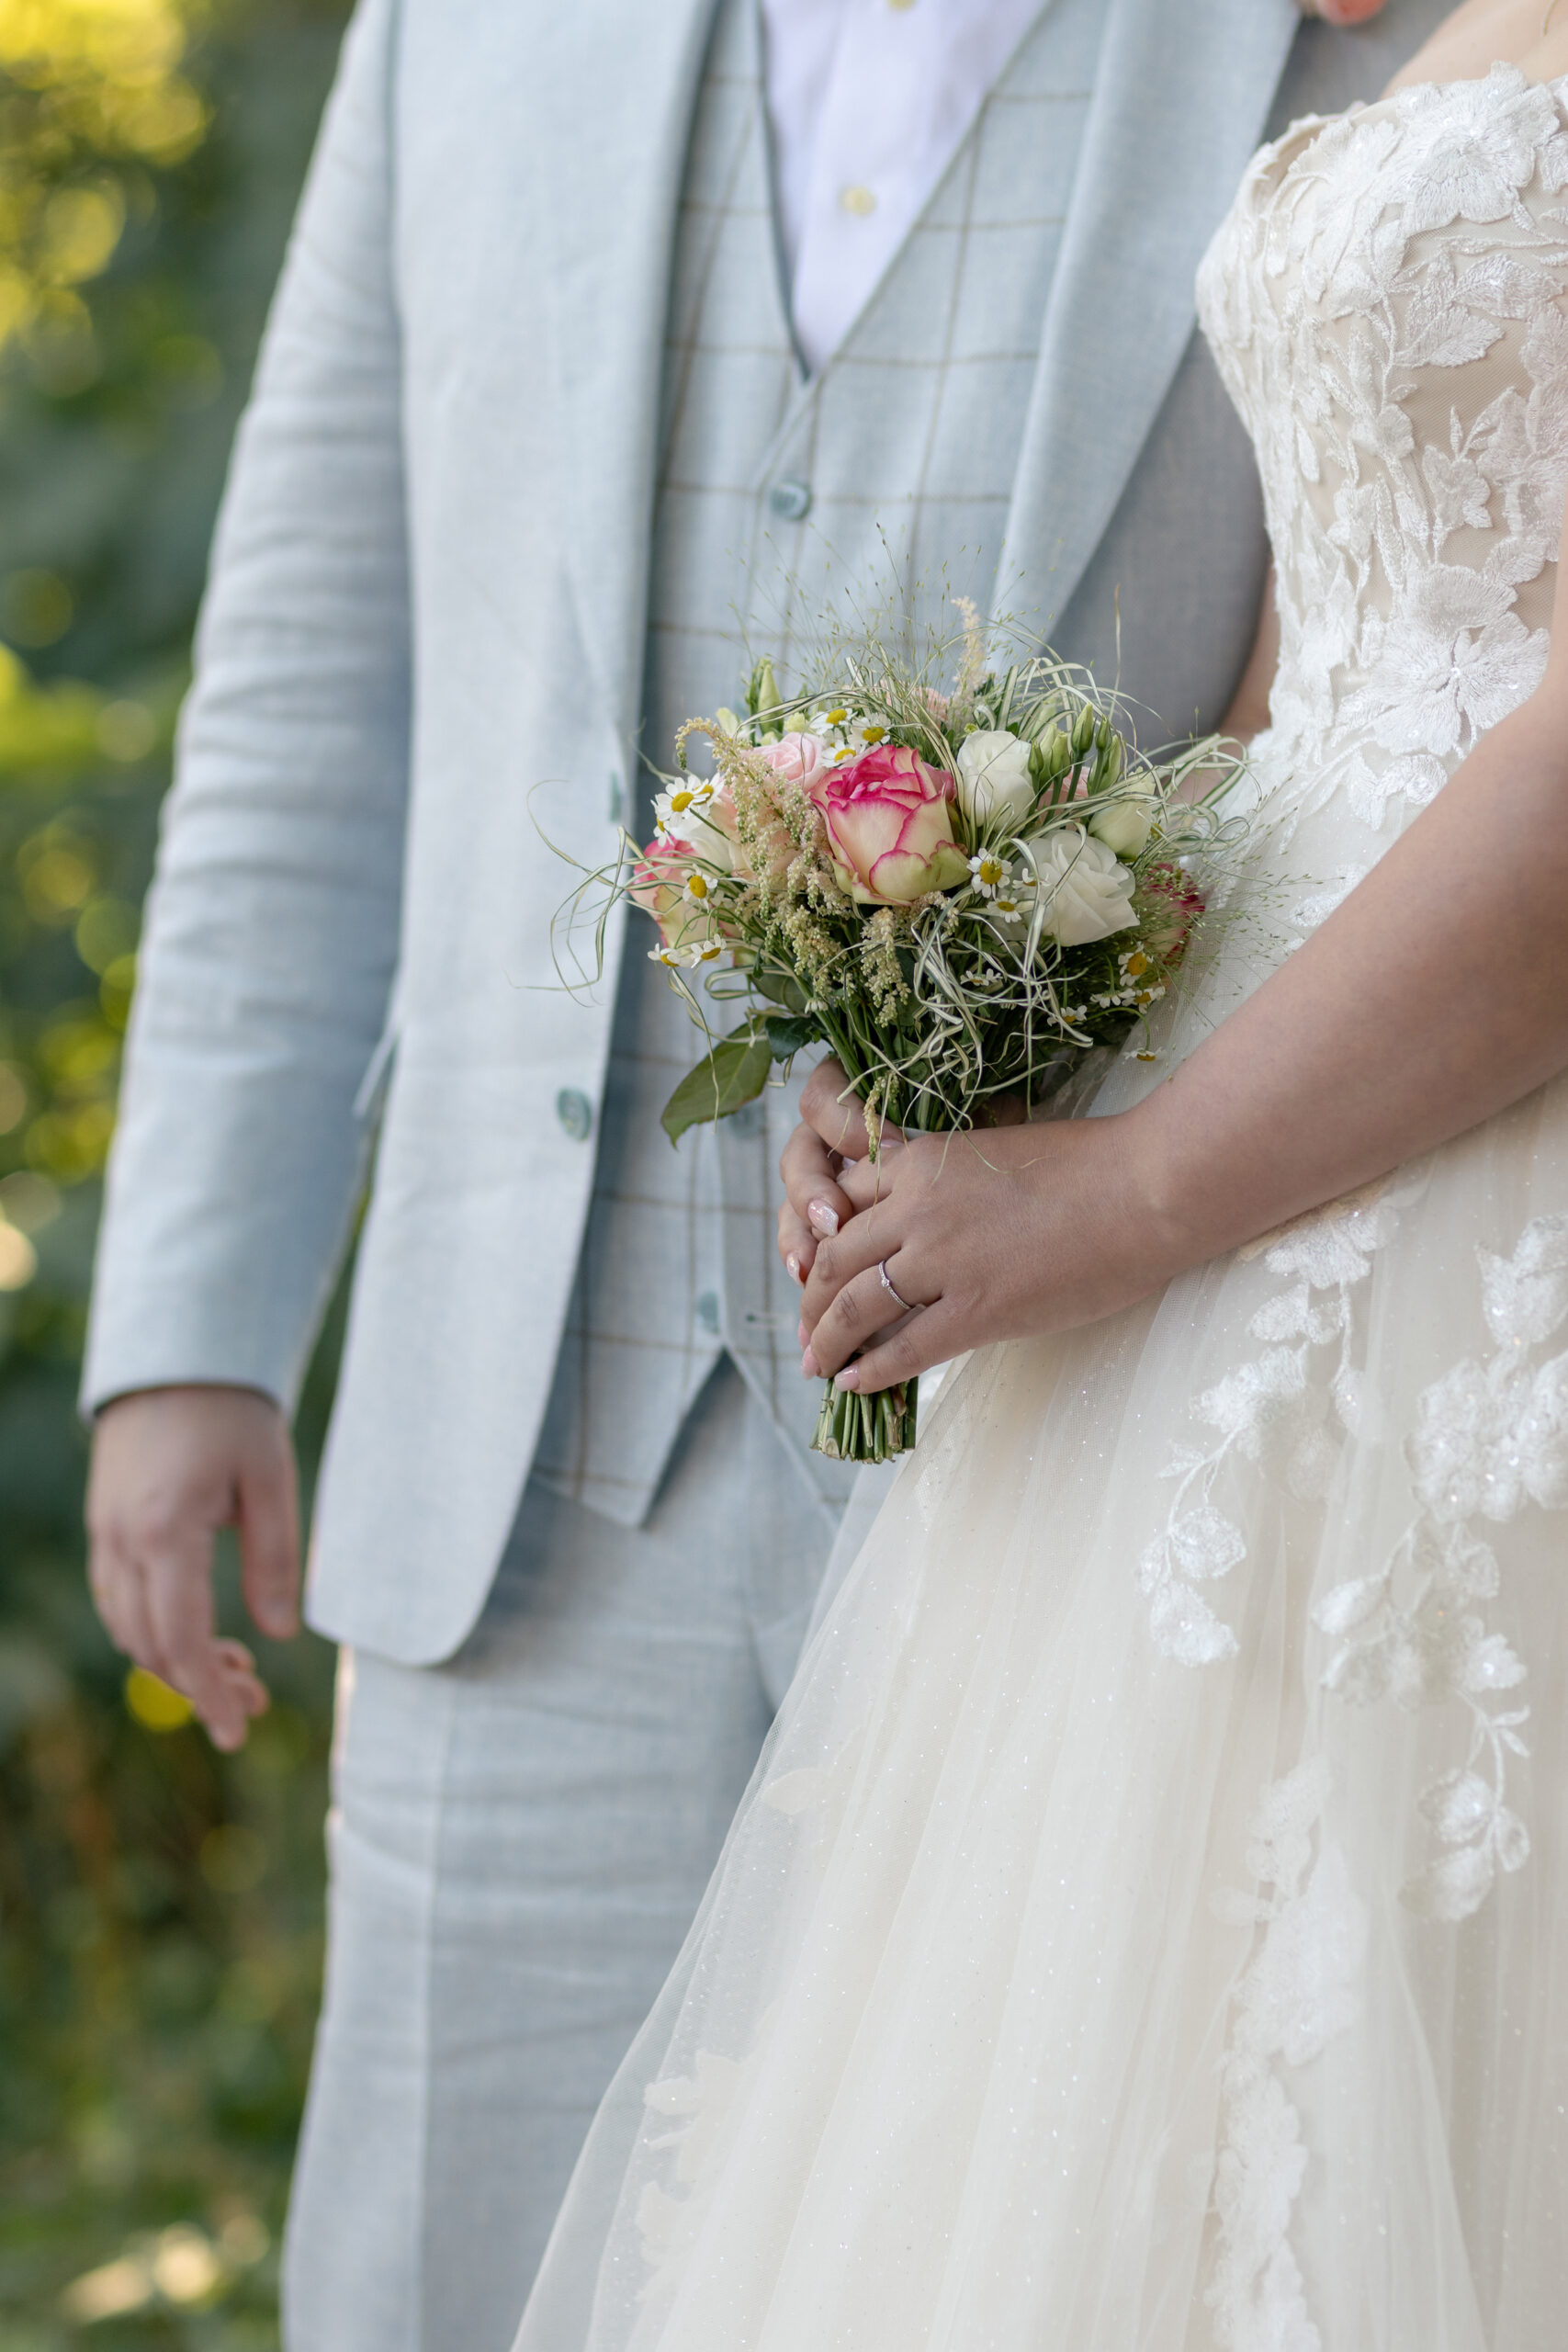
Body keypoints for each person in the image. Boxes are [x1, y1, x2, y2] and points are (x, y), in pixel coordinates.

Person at [78, 0, 1442, 2346]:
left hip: (1076, 1477)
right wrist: (194, 1312)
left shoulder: (1350, 20)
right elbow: (318, 662)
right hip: (526, 1484)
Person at [507, 3, 1568, 2346]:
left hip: (1470, 1175)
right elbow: (1303, 692)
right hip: (1238, 1108)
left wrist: (1139, 1188)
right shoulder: (1407, 35)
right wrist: (989, 1032)